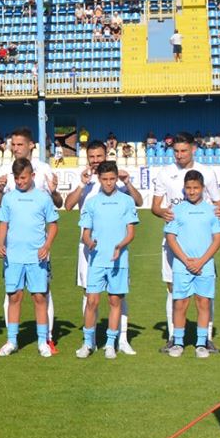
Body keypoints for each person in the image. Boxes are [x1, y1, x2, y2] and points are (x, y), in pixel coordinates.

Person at [64, 139, 144, 353]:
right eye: (92, 157)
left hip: (116, 249)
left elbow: (139, 201)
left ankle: (121, 339)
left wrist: (127, 183)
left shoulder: (116, 182)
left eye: (100, 156)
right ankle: (89, 340)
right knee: (89, 294)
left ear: (106, 156)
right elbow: (68, 206)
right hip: (89, 249)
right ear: (87, 158)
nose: (96, 160)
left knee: (118, 295)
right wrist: (82, 184)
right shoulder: (86, 183)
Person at [149, 134, 220, 351]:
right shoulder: (165, 173)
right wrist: (167, 213)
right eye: (176, 152)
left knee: (205, 293)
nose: (180, 156)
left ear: (193, 149)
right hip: (174, 240)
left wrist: (219, 210)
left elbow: (219, 205)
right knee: (173, 289)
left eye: (184, 151)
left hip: (201, 243)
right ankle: (175, 337)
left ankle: (205, 338)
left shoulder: (207, 173)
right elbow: (155, 207)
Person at [0, 157, 58, 357]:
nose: (20, 181)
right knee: (14, 297)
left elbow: (53, 225)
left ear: (32, 176)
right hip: (13, 257)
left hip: (37, 257)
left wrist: (47, 245)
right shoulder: (9, 198)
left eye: (23, 177)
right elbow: (3, 223)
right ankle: (12, 341)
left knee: (39, 297)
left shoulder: (43, 198)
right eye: (17, 178)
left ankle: (42, 341)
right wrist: (0, 244)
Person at [162, 169, 220, 357]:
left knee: (203, 303)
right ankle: (178, 343)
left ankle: (201, 343)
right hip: (182, 265)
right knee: (180, 303)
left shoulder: (213, 210)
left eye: (196, 187)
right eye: (188, 188)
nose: (192, 191)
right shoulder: (176, 210)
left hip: (204, 265)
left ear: (203, 188)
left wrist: (202, 261)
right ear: (184, 189)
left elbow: (218, 239)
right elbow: (171, 238)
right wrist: (185, 260)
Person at [77, 161, 135, 360]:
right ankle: (87, 342)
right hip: (97, 260)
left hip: (119, 260)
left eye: (112, 179)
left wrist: (120, 246)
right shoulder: (92, 203)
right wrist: (89, 242)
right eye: (105, 179)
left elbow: (131, 232)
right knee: (92, 301)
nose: (109, 183)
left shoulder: (126, 201)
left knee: (114, 301)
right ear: (99, 179)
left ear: (117, 178)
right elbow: (86, 232)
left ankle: (110, 343)